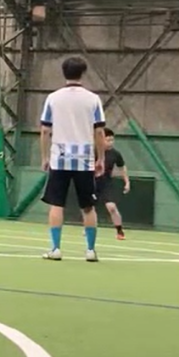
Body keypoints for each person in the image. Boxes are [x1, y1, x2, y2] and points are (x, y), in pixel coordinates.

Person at [39, 56, 106, 262]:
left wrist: (44, 156)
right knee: (88, 206)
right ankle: (90, 250)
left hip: (59, 157)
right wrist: (101, 158)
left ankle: (56, 248)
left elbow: (45, 130)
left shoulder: (53, 98)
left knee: (56, 204)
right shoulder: (93, 99)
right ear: (83, 73)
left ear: (63, 73)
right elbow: (99, 131)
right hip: (84, 159)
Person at [94, 127, 130, 240]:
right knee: (88, 208)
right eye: (108, 140)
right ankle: (88, 228)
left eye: (112, 140)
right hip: (92, 182)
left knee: (112, 207)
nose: (110, 142)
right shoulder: (93, 151)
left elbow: (122, 167)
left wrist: (127, 182)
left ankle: (119, 231)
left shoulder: (115, 154)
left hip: (106, 184)